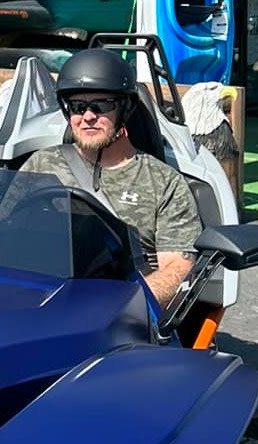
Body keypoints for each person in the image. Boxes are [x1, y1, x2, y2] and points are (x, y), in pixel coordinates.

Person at [15, 48, 203, 304]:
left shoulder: (164, 182)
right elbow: (5, 238)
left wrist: (120, 305)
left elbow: (177, 269)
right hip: (39, 299)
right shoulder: (40, 164)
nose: (88, 117)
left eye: (101, 106)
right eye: (78, 107)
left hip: (117, 307)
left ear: (125, 109)